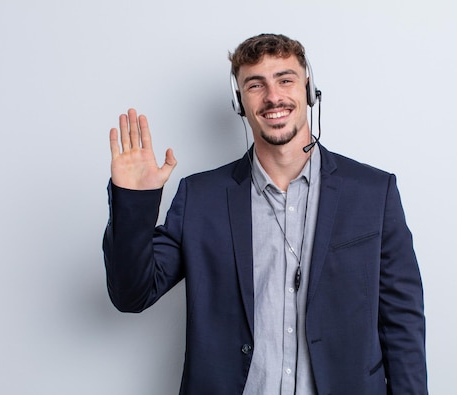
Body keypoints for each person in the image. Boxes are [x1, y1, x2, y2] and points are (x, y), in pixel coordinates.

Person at [103, 33, 427, 395]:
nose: (273, 96)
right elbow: (131, 295)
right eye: (255, 84)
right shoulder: (201, 197)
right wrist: (134, 200)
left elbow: (402, 323)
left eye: (285, 79)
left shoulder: (373, 192)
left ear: (309, 88)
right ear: (238, 100)